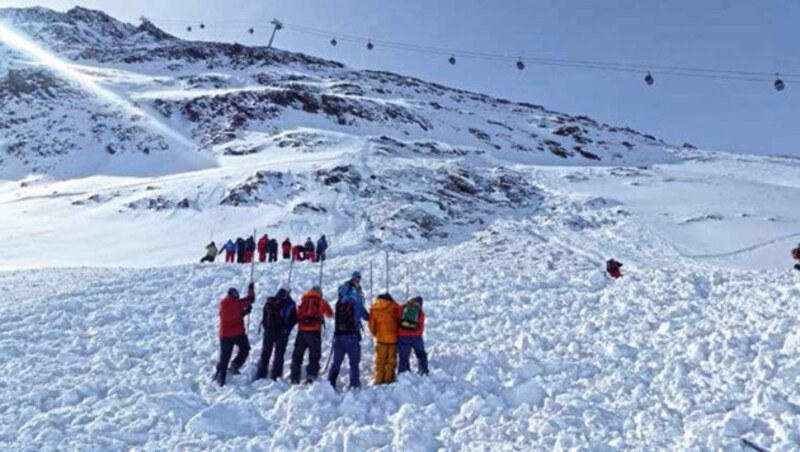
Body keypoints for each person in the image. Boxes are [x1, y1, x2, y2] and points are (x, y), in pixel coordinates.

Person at [289, 286, 333, 384]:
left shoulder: (303, 301)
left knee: (297, 356)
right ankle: (311, 377)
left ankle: (294, 377)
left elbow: (297, 315)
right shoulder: (321, 302)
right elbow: (330, 314)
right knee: (314, 356)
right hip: (314, 333)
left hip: (301, 333)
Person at [254, 282, 297, 381]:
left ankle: (260, 374)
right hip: (282, 333)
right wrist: (287, 329)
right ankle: (276, 377)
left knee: (265, 353)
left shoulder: (270, 301)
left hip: (269, 331)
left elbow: (264, 316)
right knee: (279, 355)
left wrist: (266, 327)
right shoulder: (291, 303)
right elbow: (294, 319)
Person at [213, 283, 254, 386]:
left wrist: (244, 313)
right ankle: (235, 365)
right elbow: (251, 299)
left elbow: (233, 315)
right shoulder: (238, 303)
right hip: (237, 334)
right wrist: (251, 289)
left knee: (224, 357)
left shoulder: (223, 304)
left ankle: (219, 377)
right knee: (245, 349)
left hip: (224, 335)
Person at [327, 293, 369, 390]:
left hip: (338, 338)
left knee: (336, 362)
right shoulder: (357, 305)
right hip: (352, 338)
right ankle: (354, 385)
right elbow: (367, 317)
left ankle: (330, 384)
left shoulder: (339, 305)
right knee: (354, 363)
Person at [369, 293, 400, 385]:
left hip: (381, 339)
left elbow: (371, 326)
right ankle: (389, 378)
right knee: (391, 360)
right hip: (393, 338)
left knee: (380, 360)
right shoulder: (394, 306)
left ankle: (378, 378)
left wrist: (376, 334)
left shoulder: (374, 309)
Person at [397, 296, 429, 375]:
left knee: (404, 356)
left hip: (403, 336)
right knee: (421, 353)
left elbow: (397, 316)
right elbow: (421, 326)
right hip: (416, 336)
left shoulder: (402, 308)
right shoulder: (420, 312)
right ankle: (423, 371)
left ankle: (403, 373)